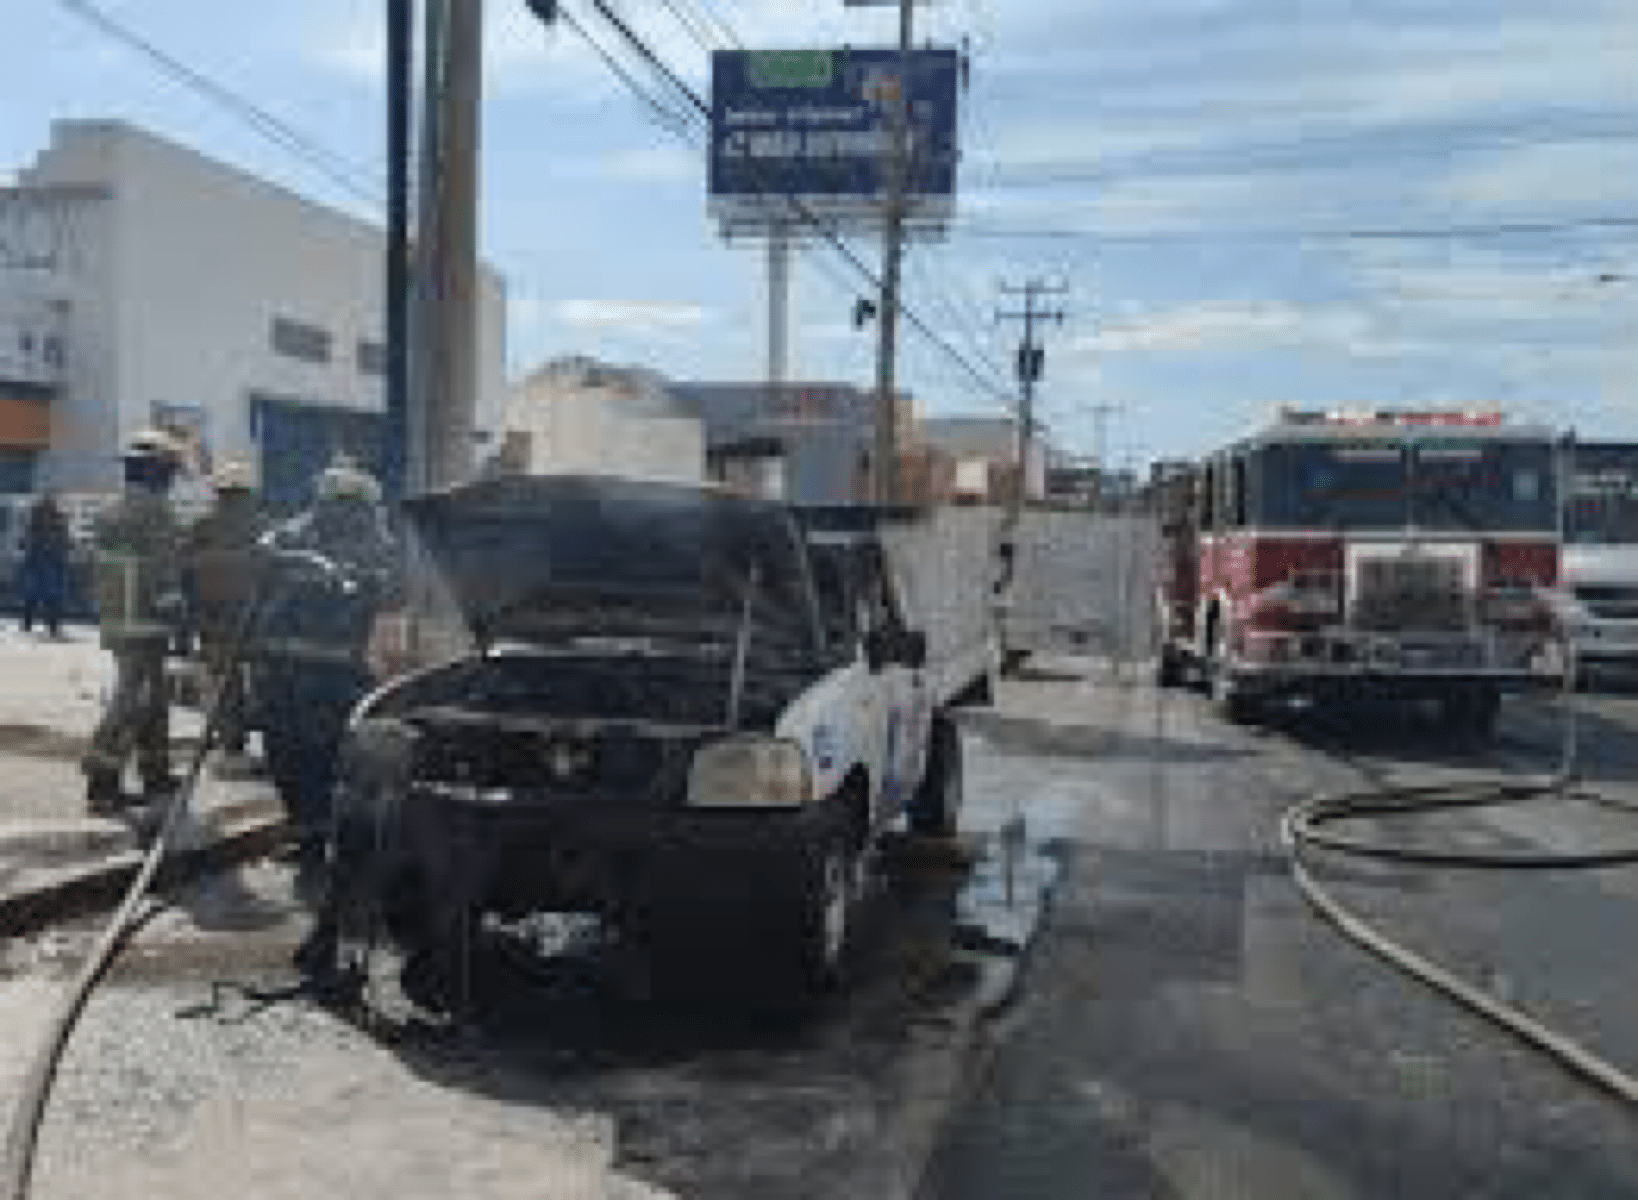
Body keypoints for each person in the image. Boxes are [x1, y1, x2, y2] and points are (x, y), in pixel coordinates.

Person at [254, 456, 397, 887]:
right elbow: (263, 554)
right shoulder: (302, 535)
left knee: (302, 760)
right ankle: (320, 840)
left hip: (304, 674)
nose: (343, 513)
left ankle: (322, 839)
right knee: (316, 761)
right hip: (324, 675)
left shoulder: (369, 543)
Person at [82, 430, 188, 814]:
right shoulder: (156, 512)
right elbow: (165, 571)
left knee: (153, 699)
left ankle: (155, 772)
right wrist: (177, 612)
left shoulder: (112, 510)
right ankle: (102, 781)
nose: (172, 479)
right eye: (170, 472)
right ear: (157, 473)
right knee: (133, 701)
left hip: (118, 619)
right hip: (146, 620)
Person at [183, 461, 265, 762]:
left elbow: (186, 575)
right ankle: (249, 732)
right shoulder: (261, 526)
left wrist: (190, 620)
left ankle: (230, 737)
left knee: (223, 680)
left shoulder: (202, 527)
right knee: (257, 679)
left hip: (213, 620)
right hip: (254, 620)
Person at [19, 490, 72, 637]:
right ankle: (31, 623)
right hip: (39, 563)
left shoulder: (56, 522)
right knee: (34, 596)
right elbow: (26, 541)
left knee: (49, 596)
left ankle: (50, 625)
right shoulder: (35, 523)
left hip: (49, 563)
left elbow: (65, 541)